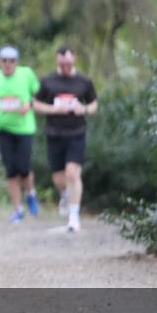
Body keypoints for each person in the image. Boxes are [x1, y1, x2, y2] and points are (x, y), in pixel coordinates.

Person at [33, 46, 98, 232]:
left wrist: (83, 109)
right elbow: (36, 104)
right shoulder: (48, 81)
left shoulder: (84, 81)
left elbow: (94, 104)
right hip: (54, 133)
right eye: (63, 64)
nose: (66, 67)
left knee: (72, 173)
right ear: (57, 62)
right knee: (59, 177)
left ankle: (74, 216)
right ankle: (64, 195)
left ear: (74, 60)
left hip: (76, 133)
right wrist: (54, 109)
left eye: (69, 63)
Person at [0, 45, 41, 223]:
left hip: (25, 129)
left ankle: (30, 193)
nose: (8, 64)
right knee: (11, 171)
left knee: (23, 168)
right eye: (4, 60)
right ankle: (17, 209)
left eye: (11, 61)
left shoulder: (26, 74)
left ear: (17, 62)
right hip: (3, 129)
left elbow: (39, 95)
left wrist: (29, 104)